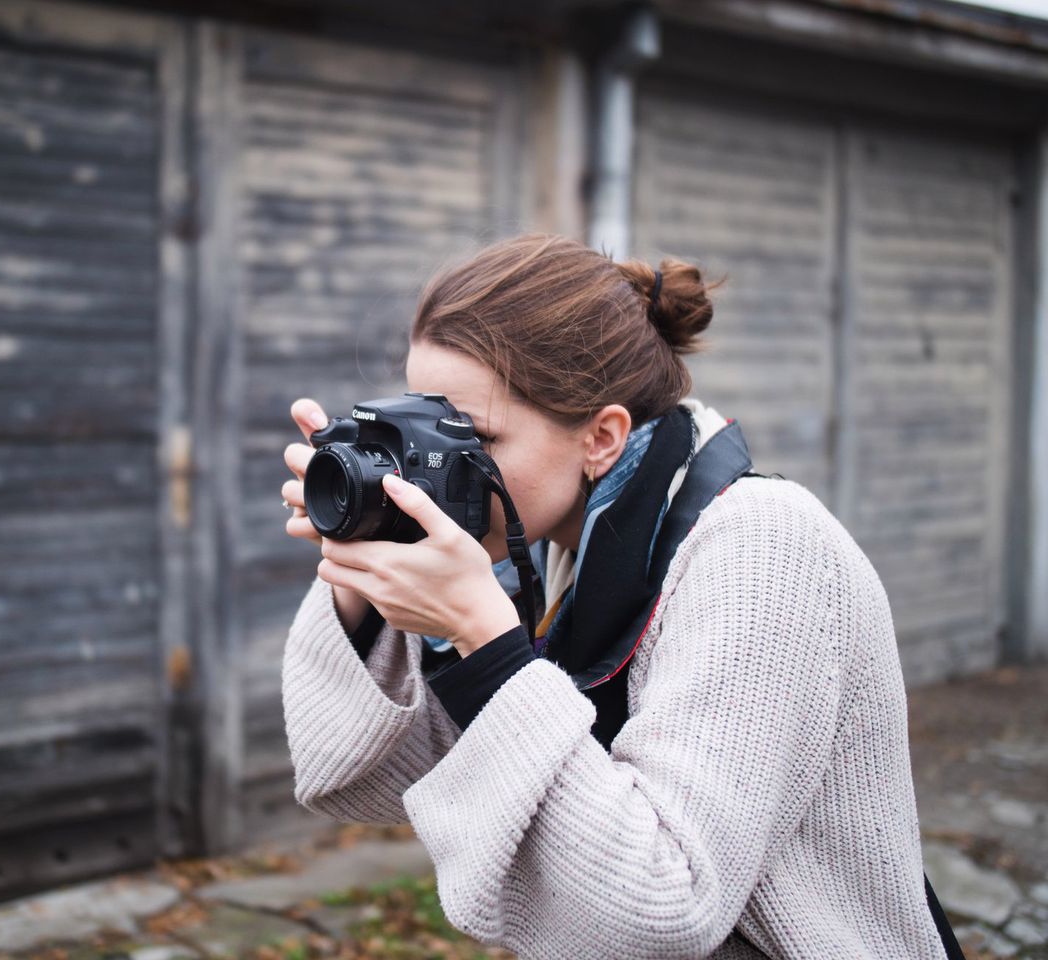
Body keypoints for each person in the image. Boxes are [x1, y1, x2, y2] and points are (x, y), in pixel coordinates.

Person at [277, 233, 952, 959]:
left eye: (473, 438)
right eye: (421, 431)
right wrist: (358, 577)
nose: (438, 469)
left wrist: (487, 645)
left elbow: (661, 908)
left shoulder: (760, 547)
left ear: (602, 437)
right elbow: (357, 778)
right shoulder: (543, 548)